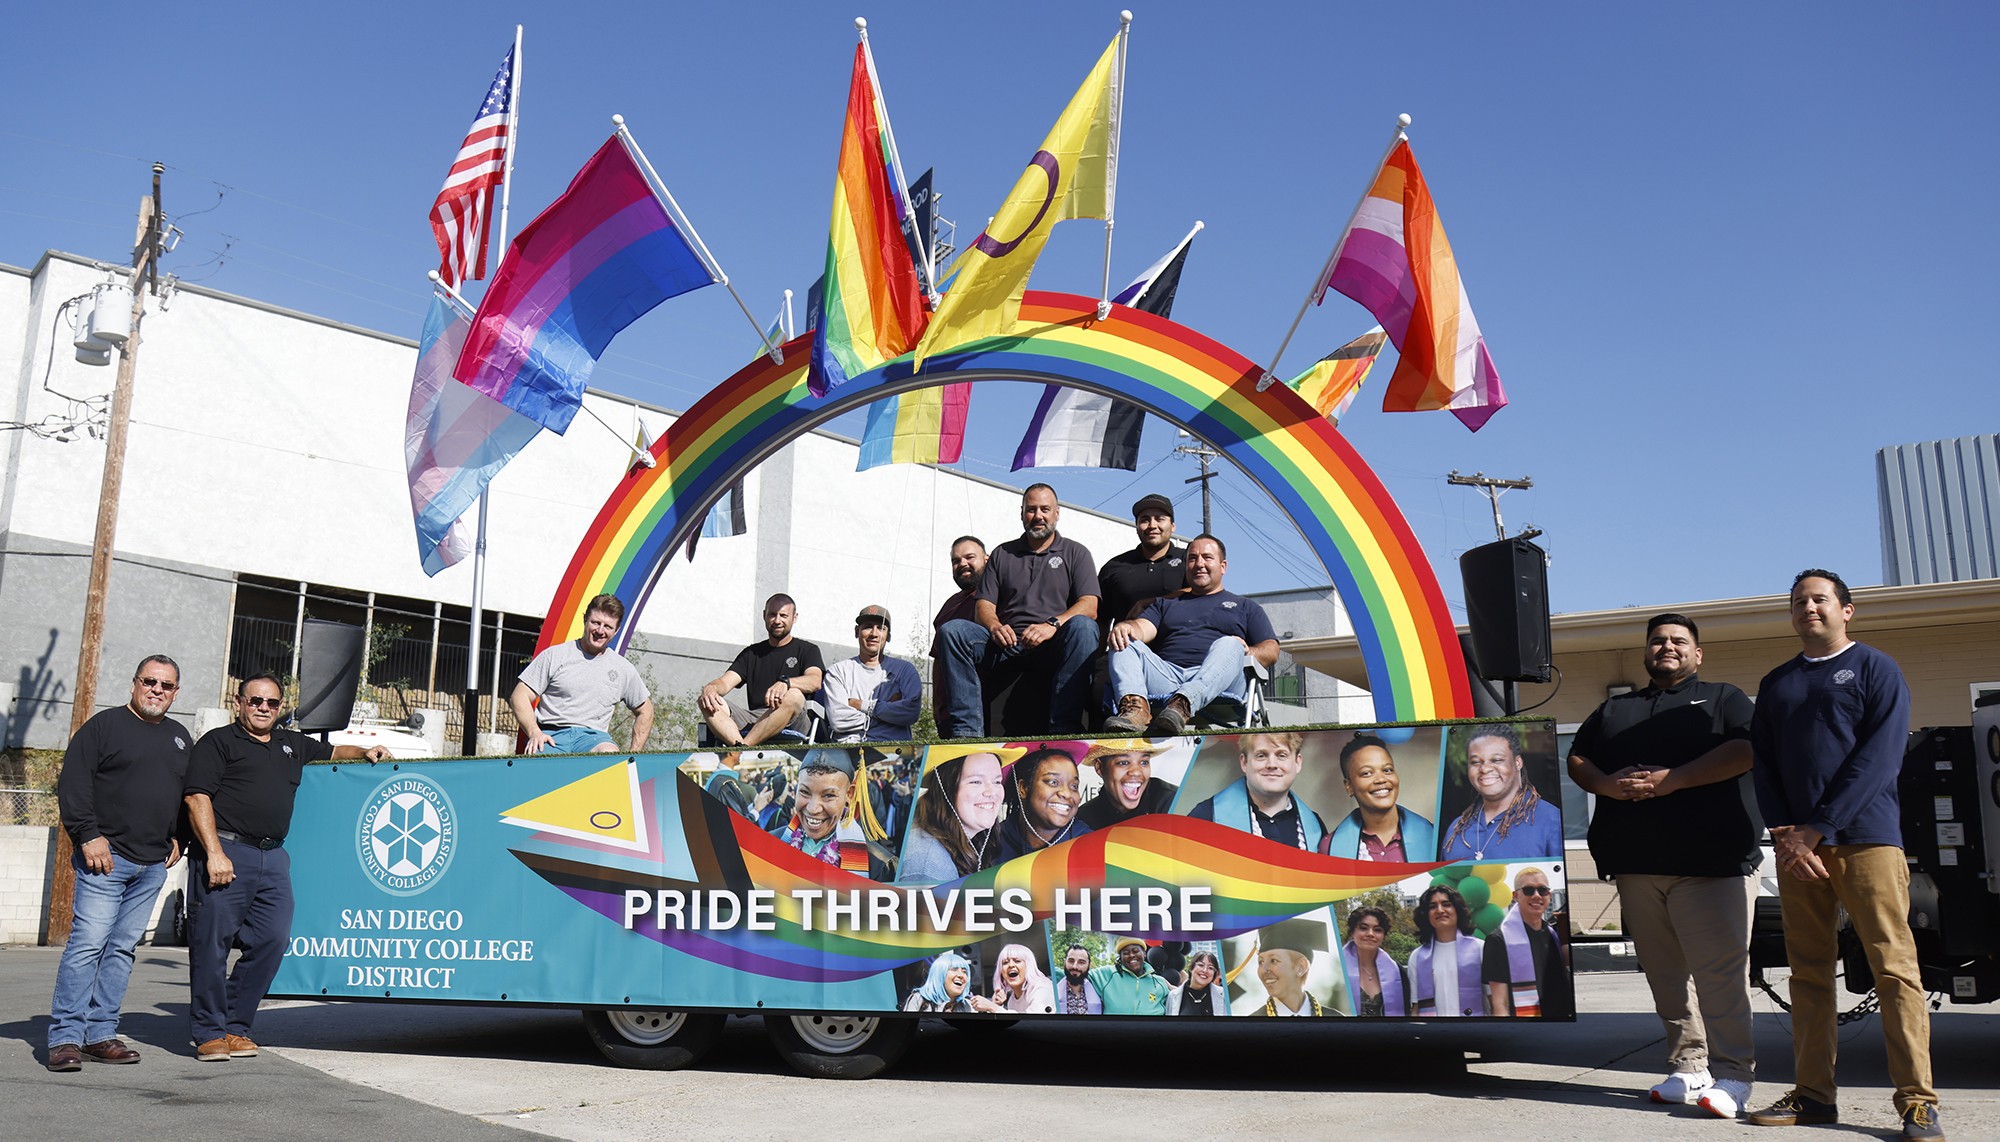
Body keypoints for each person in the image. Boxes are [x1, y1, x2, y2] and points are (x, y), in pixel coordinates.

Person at [1746, 570, 1940, 1139]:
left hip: (1867, 841)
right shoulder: (1778, 683)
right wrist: (1786, 832)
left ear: (1846, 610)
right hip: (1798, 852)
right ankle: (1813, 1097)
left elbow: (1879, 759)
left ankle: (1917, 1103)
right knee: (1808, 974)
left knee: (1895, 970)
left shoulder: (1877, 668)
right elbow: (1766, 766)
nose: (1809, 607)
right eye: (1799, 601)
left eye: (1820, 598)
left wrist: (1819, 828)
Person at [1567, 612, 1760, 1118]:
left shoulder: (1723, 698)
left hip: (1712, 863)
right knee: (1666, 976)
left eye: (1678, 641)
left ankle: (1735, 1074)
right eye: (1657, 641)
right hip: (1636, 863)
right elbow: (1578, 758)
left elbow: (1745, 749)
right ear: (1647, 653)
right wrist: (1606, 785)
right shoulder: (1615, 708)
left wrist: (1674, 778)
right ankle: (1689, 1066)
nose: (1667, 647)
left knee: (1719, 976)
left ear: (1698, 654)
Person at [184, 673, 390, 1062]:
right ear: (240, 702)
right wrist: (213, 852)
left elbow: (332, 753)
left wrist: (365, 751)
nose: (264, 708)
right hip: (227, 851)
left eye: (272, 703)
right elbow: (197, 798)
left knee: (272, 940)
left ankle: (235, 1027)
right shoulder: (218, 743)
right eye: (256, 701)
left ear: (280, 708)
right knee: (212, 945)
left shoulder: (290, 743)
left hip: (273, 857)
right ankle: (209, 1033)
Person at [46, 655, 192, 1072]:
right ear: (134, 684)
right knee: (88, 944)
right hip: (104, 861)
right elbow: (73, 782)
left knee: (122, 949)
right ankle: (65, 1038)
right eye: (150, 681)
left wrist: (180, 834)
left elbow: (187, 793)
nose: (157, 690)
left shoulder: (181, 738)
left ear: (176, 692)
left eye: (166, 685)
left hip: (151, 866)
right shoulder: (104, 727)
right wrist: (88, 835)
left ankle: (100, 1033)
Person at [937, 484, 1100, 737]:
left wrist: (1052, 626)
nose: (1038, 516)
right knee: (953, 631)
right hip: (1006, 647)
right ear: (1022, 514)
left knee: (1084, 627)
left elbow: (1090, 605)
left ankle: (1064, 729)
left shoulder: (1076, 553)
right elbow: (983, 607)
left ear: (1057, 513)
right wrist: (995, 626)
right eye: (1031, 509)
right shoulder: (1003, 553)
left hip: (1053, 645)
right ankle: (966, 734)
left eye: (1045, 509)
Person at [1104, 534, 1279, 736]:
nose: (1199, 564)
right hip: (1169, 678)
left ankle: (1184, 702)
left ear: (1223, 566)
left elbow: (1272, 651)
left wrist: (1247, 651)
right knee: (1124, 640)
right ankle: (1136, 710)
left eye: (1207, 557)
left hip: (1222, 685)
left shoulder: (1245, 607)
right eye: (1193, 558)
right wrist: (1128, 627)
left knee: (1230, 644)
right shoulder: (1165, 604)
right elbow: (1143, 628)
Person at [510, 593, 653, 754]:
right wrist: (535, 733)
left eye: (608, 626)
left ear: (616, 630)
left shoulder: (623, 669)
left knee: (609, 756)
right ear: (585, 619)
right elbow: (519, 696)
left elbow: (645, 711)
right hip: (551, 736)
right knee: (542, 757)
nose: (600, 631)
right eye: (595, 622)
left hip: (594, 738)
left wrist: (633, 755)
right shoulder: (555, 655)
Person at [698, 594, 825, 747]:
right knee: (707, 700)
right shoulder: (751, 654)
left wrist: (786, 683)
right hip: (756, 719)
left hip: (793, 717)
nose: (777, 620)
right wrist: (711, 688)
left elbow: (815, 681)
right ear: (764, 615)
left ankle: (744, 749)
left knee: (794, 695)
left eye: (783, 615)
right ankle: (739, 745)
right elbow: (725, 683)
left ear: (794, 617)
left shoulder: (807, 650)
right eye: (772, 614)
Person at [1187, 732, 1332, 853]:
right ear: (1244, 763)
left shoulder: (1314, 826)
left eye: (1281, 755)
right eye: (1261, 755)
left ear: (1297, 763)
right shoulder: (1206, 817)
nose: (1272, 765)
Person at [1439, 724, 1562, 862]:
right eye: (1475, 762)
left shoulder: (1550, 820)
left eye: (1497, 760)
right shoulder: (1457, 829)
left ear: (1517, 763)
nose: (1485, 769)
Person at [899, 748, 1010, 882]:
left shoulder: (960, 836)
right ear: (945, 787)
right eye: (976, 782)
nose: (991, 792)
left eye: (997, 782)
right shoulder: (929, 869)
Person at [1328, 733, 1437, 862]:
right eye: (1367, 773)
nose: (1381, 779)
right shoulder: (1330, 847)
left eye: (1387, 770)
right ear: (1349, 786)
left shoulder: (1433, 836)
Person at [1094, 493, 1187, 643]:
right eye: (1145, 520)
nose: (1152, 525)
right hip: (1125, 650)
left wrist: (1148, 602)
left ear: (1173, 526)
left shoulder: (1189, 560)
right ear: (1137, 526)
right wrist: (1094, 662)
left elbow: (1202, 594)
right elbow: (1101, 622)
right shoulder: (1114, 567)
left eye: (1160, 519)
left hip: (1177, 654)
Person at [823, 605, 923, 742]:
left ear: (888, 636)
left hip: (894, 753)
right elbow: (838, 720)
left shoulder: (905, 670)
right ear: (857, 632)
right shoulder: (838, 671)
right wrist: (888, 712)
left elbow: (911, 712)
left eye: (881, 628)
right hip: (848, 752)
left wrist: (861, 705)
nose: (874, 634)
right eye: (868, 627)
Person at [1482, 866, 1570, 1018]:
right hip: (1524, 1026)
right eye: (1528, 890)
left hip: (1559, 1021)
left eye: (1542, 890)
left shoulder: (1555, 935)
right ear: (1516, 896)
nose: (1537, 896)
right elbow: (1500, 1003)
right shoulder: (1498, 940)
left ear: (1549, 895)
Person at [778, 750, 876, 875]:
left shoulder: (876, 861)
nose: (813, 809)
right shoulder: (769, 844)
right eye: (804, 792)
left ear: (849, 794)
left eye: (829, 795)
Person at [989, 747, 1094, 864]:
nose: (1067, 793)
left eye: (1074, 786)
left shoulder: (1093, 846)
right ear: (1023, 788)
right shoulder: (991, 844)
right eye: (1053, 782)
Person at [929, 536, 987, 738]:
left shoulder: (997, 595)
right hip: (949, 714)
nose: (962, 564)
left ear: (986, 559)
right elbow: (938, 658)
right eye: (956, 561)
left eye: (970, 557)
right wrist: (937, 705)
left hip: (987, 710)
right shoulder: (948, 606)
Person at [1410, 884, 1485, 1017]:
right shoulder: (1418, 957)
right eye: (1432, 906)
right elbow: (1416, 1007)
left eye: (1446, 904)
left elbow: (1494, 1000)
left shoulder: (1480, 949)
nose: (1440, 910)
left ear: (1457, 910)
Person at [1248, 917, 1344, 1016]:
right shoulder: (1252, 1024)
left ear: (1301, 967)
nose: (1264, 969)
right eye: (1261, 962)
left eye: (1274, 961)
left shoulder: (1336, 1019)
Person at [1075, 737, 1176, 829]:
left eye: (1144, 762)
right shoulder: (1084, 819)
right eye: (1123, 763)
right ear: (1100, 767)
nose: (1136, 772)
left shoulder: (1173, 802)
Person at [1343, 906, 1410, 1017]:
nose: (1370, 934)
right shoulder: (1336, 968)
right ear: (1352, 932)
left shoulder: (1398, 972)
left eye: (1377, 930)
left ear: (1383, 936)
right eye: (1363, 928)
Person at [1088, 935, 1169, 1015]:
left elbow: (1176, 1000)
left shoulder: (1159, 982)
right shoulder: (1107, 974)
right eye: (1126, 953)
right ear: (1121, 957)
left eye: (1135, 951)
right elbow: (1080, 973)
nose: (1131, 955)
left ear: (1144, 953)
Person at [973, 943, 1055, 1013]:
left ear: (1028, 966)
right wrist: (994, 1005)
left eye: (1017, 961)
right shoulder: (1012, 1000)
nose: (1011, 965)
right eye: (1005, 962)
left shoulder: (1042, 988)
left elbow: (1034, 1022)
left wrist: (993, 1007)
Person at [903, 951, 978, 1013]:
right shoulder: (919, 999)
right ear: (939, 974)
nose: (961, 975)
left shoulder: (969, 1006)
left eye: (964, 972)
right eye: (954, 969)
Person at [1167, 950, 1229, 1017]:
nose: (1205, 970)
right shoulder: (1173, 996)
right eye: (1201, 965)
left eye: (1210, 968)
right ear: (1191, 968)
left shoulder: (1224, 996)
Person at [1055, 943, 1103, 1014]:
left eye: (1081, 962)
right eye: (1071, 961)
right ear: (1065, 962)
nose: (1075, 966)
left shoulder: (1098, 991)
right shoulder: (1053, 993)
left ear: (1089, 966)